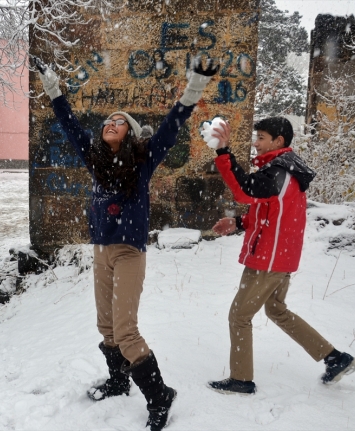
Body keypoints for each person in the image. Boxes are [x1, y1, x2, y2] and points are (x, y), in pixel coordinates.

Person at [37, 58, 218, 430]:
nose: (109, 124)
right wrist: (53, 86)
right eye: (107, 121)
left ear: (131, 133)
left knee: (126, 331)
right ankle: (119, 381)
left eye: (118, 121)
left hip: (129, 252)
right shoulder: (96, 161)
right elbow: (69, 124)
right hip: (101, 251)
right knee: (106, 327)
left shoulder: (143, 161)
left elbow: (172, 124)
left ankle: (159, 395)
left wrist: (196, 85)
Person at [207, 117, 355, 395]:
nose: (256, 143)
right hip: (280, 257)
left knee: (239, 316)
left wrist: (224, 152)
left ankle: (241, 379)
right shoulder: (285, 171)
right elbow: (269, 213)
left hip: (268, 260)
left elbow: (243, 191)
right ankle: (335, 357)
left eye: (261, 137)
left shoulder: (279, 172)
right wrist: (240, 224)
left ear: (278, 142)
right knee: (276, 310)